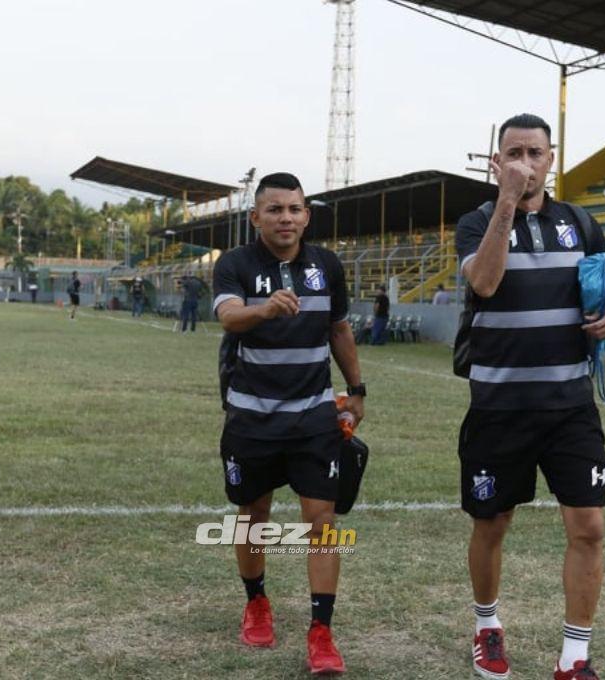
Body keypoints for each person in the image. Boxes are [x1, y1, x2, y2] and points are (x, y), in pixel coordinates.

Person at [455, 113, 605, 680]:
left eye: (535, 153)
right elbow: (484, 282)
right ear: (496, 161)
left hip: (570, 406)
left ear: (551, 159)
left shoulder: (580, 222)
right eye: (513, 153)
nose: (524, 163)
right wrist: (506, 202)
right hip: (498, 406)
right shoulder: (476, 222)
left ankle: (574, 657)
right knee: (492, 523)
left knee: (589, 526)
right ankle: (487, 626)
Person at [212, 172, 364, 675]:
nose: (286, 218)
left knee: (322, 523)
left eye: (295, 209)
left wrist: (357, 390)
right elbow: (229, 317)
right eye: (275, 209)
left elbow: (338, 329)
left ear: (306, 216)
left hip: (314, 418)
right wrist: (265, 309)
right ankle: (256, 601)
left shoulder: (327, 265)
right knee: (253, 516)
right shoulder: (235, 264)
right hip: (251, 418)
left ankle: (321, 631)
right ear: (255, 217)